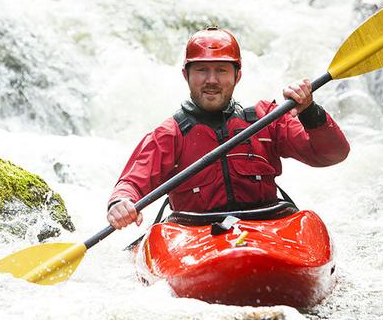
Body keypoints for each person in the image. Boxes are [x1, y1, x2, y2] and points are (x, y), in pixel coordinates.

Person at [107, 27, 350, 230]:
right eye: (202, 70)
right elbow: (131, 183)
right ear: (186, 75)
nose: (211, 80)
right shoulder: (170, 134)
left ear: (237, 76)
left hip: (265, 226)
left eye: (221, 70)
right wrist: (121, 202)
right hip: (195, 233)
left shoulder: (267, 120)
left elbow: (333, 154)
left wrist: (309, 110)